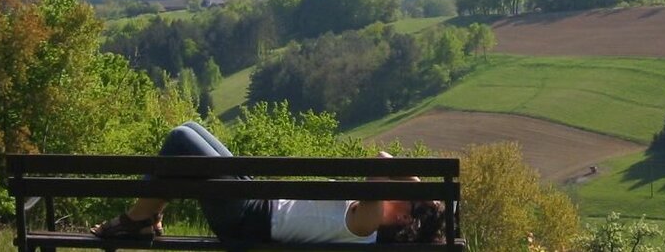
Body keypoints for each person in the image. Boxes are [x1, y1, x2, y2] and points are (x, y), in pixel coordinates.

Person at [90, 121, 446, 244]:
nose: (407, 189)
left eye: (410, 199)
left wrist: (420, 191)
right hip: (256, 199)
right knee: (192, 131)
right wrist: (423, 199)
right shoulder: (367, 215)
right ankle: (144, 218)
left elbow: (382, 162)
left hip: (245, 218)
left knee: (181, 140)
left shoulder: (365, 227)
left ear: (402, 219)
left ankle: (138, 219)